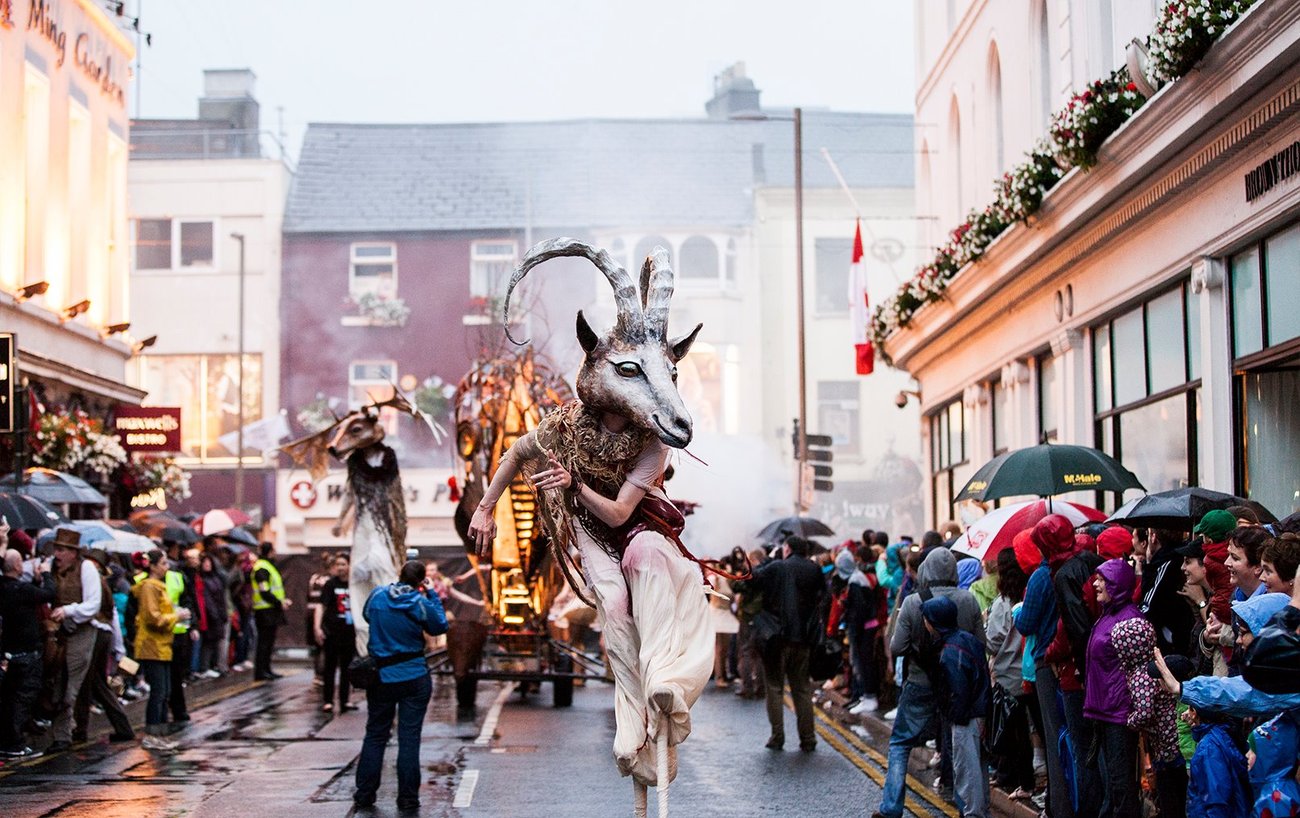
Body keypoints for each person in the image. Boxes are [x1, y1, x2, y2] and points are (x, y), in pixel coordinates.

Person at [874, 547, 983, 818]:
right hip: (958, 686)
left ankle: (891, 809)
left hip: (921, 682)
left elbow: (897, 646)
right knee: (958, 746)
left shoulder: (912, 602)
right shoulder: (968, 600)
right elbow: (979, 644)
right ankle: (964, 805)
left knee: (900, 743)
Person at [354, 560, 447, 812]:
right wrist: (430, 593)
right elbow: (440, 625)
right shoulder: (420, 603)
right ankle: (407, 799)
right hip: (414, 677)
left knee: (375, 734)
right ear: (420, 581)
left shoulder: (377, 596)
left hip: (382, 677)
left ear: (399, 574)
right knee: (409, 738)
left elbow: (365, 615)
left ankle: (364, 794)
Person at [751, 535, 825, 751]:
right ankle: (808, 738)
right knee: (802, 689)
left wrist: (768, 560)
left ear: (788, 548)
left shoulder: (777, 567)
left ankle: (777, 736)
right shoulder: (814, 569)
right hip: (804, 637)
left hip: (777, 636)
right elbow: (822, 598)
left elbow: (753, 579)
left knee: (774, 687)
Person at [1085, 559, 1143, 818]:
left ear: (1116, 585)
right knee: (1114, 782)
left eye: (1102, 579)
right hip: (1105, 709)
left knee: (1122, 784)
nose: (1096, 584)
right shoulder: (1108, 614)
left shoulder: (1129, 619)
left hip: (1118, 712)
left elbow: (1138, 670)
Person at [922, 596, 990, 818]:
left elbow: (958, 688)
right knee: (977, 773)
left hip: (966, 717)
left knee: (966, 773)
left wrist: (955, 716)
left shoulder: (950, 651)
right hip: (978, 712)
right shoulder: (967, 639)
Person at [47, 528, 113, 752]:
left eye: (62, 550)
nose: (57, 554)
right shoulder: (50, 568)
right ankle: (63, 734)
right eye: (56, 549)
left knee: (71, 684)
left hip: (83, 630)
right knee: (55, 681)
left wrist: (68, 610)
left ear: (74, 553)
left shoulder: (87, 569)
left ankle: (65, 734)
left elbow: (93, 605)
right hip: (58, 631)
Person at [71, 548, 134, 744]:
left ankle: (81, 729)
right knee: (97, 683)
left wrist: (119, 648)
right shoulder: (103, 582)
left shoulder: (95, 581)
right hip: (104, 633)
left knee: (88, 683)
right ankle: (121, 727)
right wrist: (117, 646)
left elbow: (112, 615)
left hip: (97, 632)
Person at [985, 546, 1034, 800]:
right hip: (1032, 673)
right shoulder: (1031, 595)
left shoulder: (1002, 604)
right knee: (1034, 732)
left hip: (1008, 676)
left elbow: (993, 642)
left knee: (1014, 734)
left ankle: (1019, 781)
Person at [0, 541, 55, 759]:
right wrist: (47, 574)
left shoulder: (5, 588)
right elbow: (48, 593)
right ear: (17, 567)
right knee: (23, 697)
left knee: (10, 699)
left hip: (10, 653)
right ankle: (13, 742)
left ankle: (9, 741)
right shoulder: (20, 590)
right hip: (26, 654)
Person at [133, 549, 190, 752]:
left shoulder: (159, 586)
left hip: (162, 645)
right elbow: (153, 618)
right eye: (164, 563)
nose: (167, 567)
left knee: (164, 691)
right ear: (153, 566)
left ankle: (160, 734)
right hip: (152, 645)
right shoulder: (149, 587)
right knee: (158, 693)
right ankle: (151, 735)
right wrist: (177, 617)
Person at [1186, 704, 1251, 818]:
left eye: (1189, 709)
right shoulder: (1224, 733)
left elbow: (1217, 798)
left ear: (1195, 712)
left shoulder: (1209, 747)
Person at [1139, 528, 1197, 655]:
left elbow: (1148, 605)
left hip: (1172, 640)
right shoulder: (1175, 557)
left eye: (1148, 534)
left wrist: (1148, 566)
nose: (1184, 568)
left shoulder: (1167, 563)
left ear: (1153, 537)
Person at [315, 554, 356, 713]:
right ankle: (328, 701)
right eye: (338, 564)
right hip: (332, 632)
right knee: (330, 668)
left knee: (347, 669)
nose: (340, 567)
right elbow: (321, 606)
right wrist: (317, 627)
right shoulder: (330, 585)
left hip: (349, 632)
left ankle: (345, 700)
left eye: (343, 564)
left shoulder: (355, 585)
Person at [164, 549, 199, 723]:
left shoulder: (177, 577)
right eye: (162, 563)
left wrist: (192, 625)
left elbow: (188, 601)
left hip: (176, 633)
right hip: (155, 635)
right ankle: (161, 713)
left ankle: (178, 710)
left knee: (176, 675)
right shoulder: (142, 581)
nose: (166, 566)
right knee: (160, 678)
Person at [252, 541, 291, 680]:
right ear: (269, 552)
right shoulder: (262, 568)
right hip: (265, 610)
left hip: (270, 609)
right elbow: (264, 591)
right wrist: (279, 602)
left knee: (268, 642)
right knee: (264, 642)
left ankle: (266, 669)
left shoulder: (268, 566)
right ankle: (261, 671)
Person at [196, 552, 230, 676]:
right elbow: (207, 599)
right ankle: (205, 667)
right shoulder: (203, 580)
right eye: (205, 562)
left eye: (209, 562)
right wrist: (214, 614)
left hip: (219, 614)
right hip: (210, 616)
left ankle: (213, 665)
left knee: (216, 641)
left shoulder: (216, 578)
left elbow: (221, 597)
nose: (207, 565)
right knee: (208, 642)